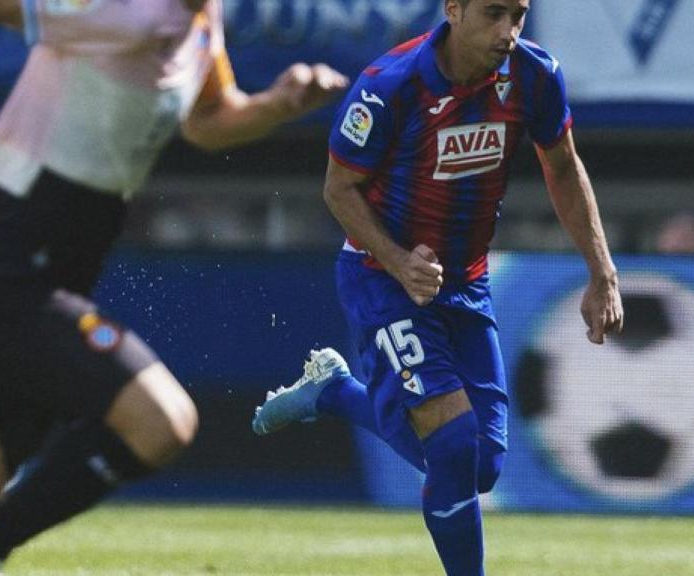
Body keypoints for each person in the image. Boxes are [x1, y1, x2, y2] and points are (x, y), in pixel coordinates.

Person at [0, 0, 348, 574]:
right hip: (4, 258)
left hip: (57, 264)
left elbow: (208, 117)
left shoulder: (201, 15)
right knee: (162, 422)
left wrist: (278, 104)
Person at [251, 1, 623, 574]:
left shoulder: (534, 74)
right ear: (453, 9)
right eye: (494, 14)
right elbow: (338, 190)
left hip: (466, 281)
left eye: (519, 15)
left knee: (481, 466)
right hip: (383, 279)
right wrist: (400, 263)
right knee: (451, 444)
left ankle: (335, 393)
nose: (509, 31)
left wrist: (602, 273)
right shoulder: (389, 86)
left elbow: (564, 167)